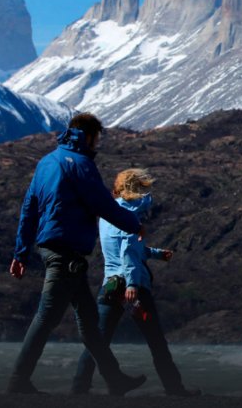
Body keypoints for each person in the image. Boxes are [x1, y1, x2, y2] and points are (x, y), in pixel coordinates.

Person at [7, 113, 147, 396]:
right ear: (89, 136)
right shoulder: (81, 165)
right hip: (65, 252)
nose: (98, 144)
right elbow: (103, 205)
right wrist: (134, 224)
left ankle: (114, 379)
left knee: (89, 320)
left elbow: (29, 209)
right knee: (46, 316)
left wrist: (20, 253)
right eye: (98, 138)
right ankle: (18, 381)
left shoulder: (46, 162)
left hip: (52, 249)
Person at [71, 168, 201, 397]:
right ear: (137, 188)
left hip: (110, 283)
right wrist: (132, 285)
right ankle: (175, 388)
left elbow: (127, 248)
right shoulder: (129, 216)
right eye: (144, 186)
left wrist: (157, 254)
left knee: (98, 340)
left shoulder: (108, 215)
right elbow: (128, 251)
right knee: (156, 340)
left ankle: (79, 387)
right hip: (133, 286)